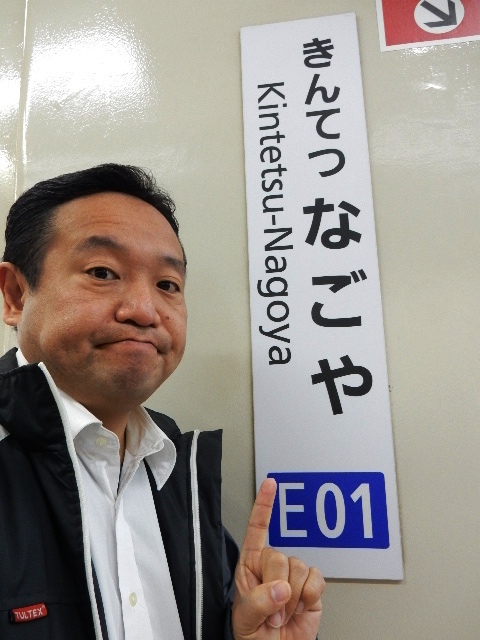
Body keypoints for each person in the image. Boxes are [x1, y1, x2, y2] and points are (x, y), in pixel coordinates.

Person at [0, 164, 324, 640]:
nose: (144, 310)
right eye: (103, 272)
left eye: (167, 285)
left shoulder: (177, 472)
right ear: (15, 295)